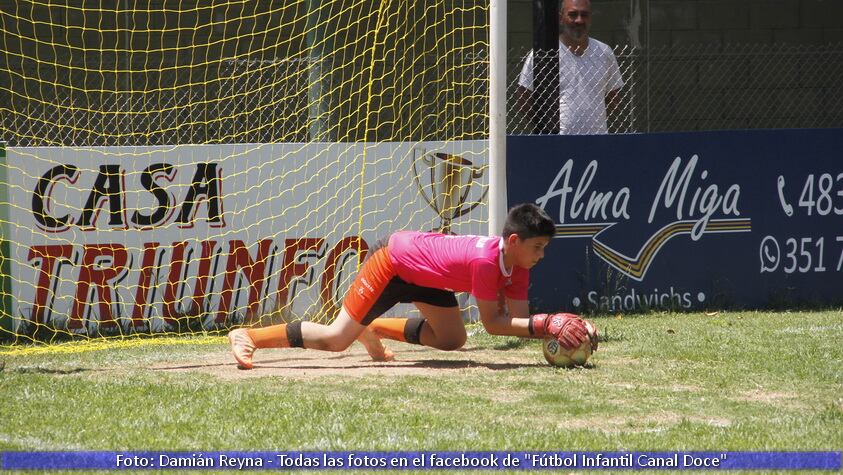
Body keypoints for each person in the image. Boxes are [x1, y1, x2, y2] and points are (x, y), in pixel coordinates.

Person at [228, 203, 596, 368]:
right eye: (537, 247)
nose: (541, 255)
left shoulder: (520, 263)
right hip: (393, 263)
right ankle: (250, 336)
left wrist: (572, 329)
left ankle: (371, 327)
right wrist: (550, 324)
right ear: (514, 242)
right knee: (336, 340)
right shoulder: (488, 261)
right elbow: (494, 325)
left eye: (544, 248)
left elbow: (518, 319)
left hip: (426, 274)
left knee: (452, 339)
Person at [517, 0, 624, 135]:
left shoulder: (604, 52)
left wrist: (591, 120)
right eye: (573, 14)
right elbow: (524, 98)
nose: (579, 20)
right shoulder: (544, 53)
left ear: (590, 18)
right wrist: (547, 127)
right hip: (558, 143)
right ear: (561, 18)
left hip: (597, 140)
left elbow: (613, 96)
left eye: (584, 15)